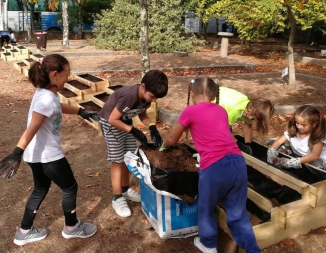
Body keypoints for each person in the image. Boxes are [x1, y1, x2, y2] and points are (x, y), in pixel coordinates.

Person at [0, 54, 98, 246]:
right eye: (67, 74)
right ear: (55, 74)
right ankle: (72, 227)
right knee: (70, 187)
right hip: (48, 156)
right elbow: (33, 127)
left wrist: (81, 111)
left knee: (40, 189)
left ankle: (24, 231)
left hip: (35, 156)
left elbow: (57, 107)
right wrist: (16, 153)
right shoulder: (46, 100)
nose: (68, 78)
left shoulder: (45, 94)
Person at [160, 78, 261, 253]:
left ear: (192, 93)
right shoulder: (221, 110)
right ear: (214, 95)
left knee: (206, 208)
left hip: (214, 167)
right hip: (237, 163)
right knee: (238, 215)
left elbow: (172, 139)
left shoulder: (190, 111)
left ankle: (208, 245)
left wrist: (163, 147)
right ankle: (253, 250)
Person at [99, 70, 168, 217]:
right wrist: (134, 131)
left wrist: (152, 127)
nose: (154, 100)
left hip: (124, 123)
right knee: (118, 160)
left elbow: (141, 114)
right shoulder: (129, 96)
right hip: (111, 124)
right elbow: (112, 119)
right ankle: (117, 197)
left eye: (156, 98)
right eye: (152, 96)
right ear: (143, 86)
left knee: (129, 157)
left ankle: (125, 189)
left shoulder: (146, 98)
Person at [267, 105, 326, 170]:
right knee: (277, 146)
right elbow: (278, 141)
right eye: (297, 123)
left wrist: (292, 162)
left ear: (314, 124)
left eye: (303, 125)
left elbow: (315, 155)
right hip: (297, 156)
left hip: (315, 160)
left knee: (315, 167)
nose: (299, 127)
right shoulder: (293, 130)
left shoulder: (318, 136)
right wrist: (272, 151)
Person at [217, 86, 274, 154]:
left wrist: (248, 145)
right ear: (252, 106)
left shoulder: (250, 108)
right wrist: (238, 144)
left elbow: (248, 126)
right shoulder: (236, 110)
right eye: (249, 113)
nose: (249, 118)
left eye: (253, 119)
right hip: (208, 101)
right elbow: (225, 131)